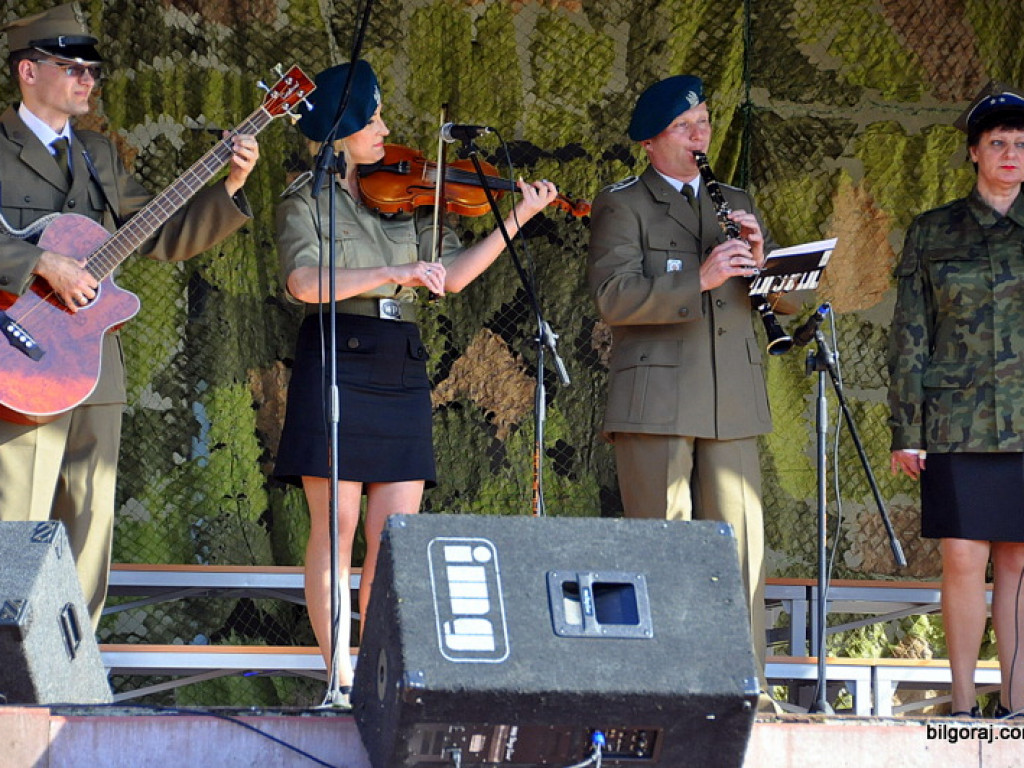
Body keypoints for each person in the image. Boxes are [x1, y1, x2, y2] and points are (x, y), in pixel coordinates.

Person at [273, 59, 558, 705]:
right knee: (336, 525)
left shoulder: (413, 195)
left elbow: (451, 276)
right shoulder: (304, 200)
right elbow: (302, 284)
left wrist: (517, 218)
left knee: (395, 537)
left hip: (398, 357)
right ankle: (337, 677)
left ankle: (377, 675)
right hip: (336, 352)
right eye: (371, 118)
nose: (384, 129)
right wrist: (392, 269)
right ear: (338, 130)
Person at [0, 3, 260, 629]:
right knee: (17, 517)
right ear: (28, 71)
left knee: (89, 525)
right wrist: (41, 262)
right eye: (72, 67)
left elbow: (161, 233)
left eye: (93, 69)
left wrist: (228, 187)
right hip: (21, 357)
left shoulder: (97, 154)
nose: (88, 79)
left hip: (94, 365)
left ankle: (73, 662)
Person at [587, 74, 784, 707]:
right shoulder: (624, 203)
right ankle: (661, 688)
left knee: (742, 550)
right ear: (651, 141)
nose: (701, 134)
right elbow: (613, 297)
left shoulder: (734, 198)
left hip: (732, 396)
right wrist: (698, 277)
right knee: (661, 547)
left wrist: (764, 262)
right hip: (659, 400)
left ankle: (744, 688)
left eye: (704, 121)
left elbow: (765, 299)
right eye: (686, 125)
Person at [888, 82, 1024, 719]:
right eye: (997, 142)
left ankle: (1017, 707)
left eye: (1021, 144)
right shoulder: (933, 230)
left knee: (1019, 564)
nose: (1011, 154)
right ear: (973, 152)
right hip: (956, 421)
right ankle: (966, 707)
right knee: (964, 558)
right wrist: (905, 429)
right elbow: (910, 334)